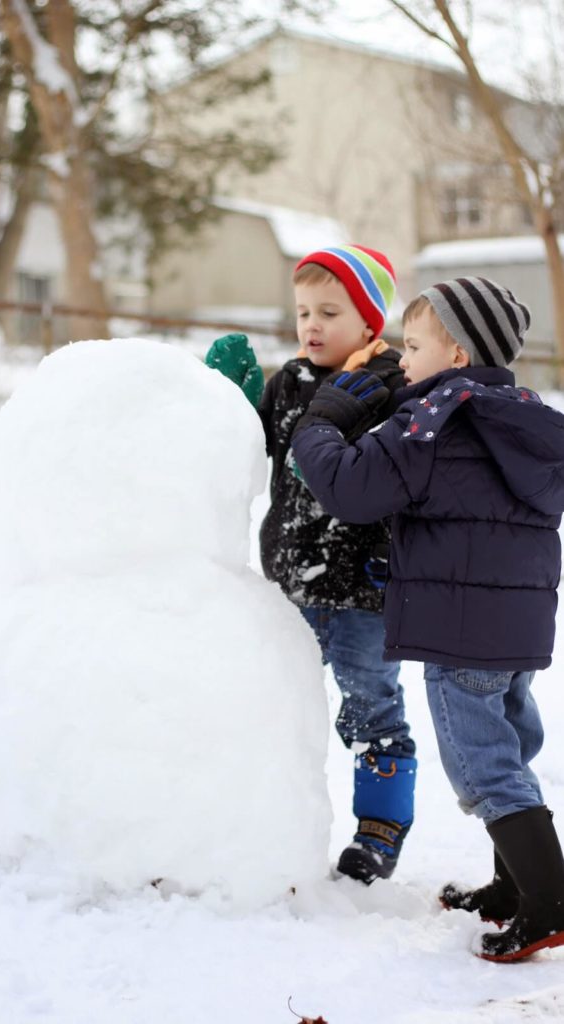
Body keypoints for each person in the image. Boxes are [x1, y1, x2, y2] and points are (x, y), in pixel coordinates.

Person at [291, 275, 564, 962]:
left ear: (458, 357)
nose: (402, 360)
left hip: (460, 629)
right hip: (518, 624)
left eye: (413, 346)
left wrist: (318, 424)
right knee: (509, 755)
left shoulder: (430, 423)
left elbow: (352, 486)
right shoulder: (523, 417)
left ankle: (549, 904)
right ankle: (511, 891)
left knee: (484, 770)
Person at [205, 245, 417, 884]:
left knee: (372, 709)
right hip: (291, 585)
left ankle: (379, 832)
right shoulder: (290, 383)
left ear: (370, 323)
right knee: (271, 703)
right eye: (303, 312)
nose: (312, 326)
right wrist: (227, 401)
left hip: (365, 591)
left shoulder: (391, 389)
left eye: (330, 311)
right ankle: (261, 820)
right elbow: (247, 449)